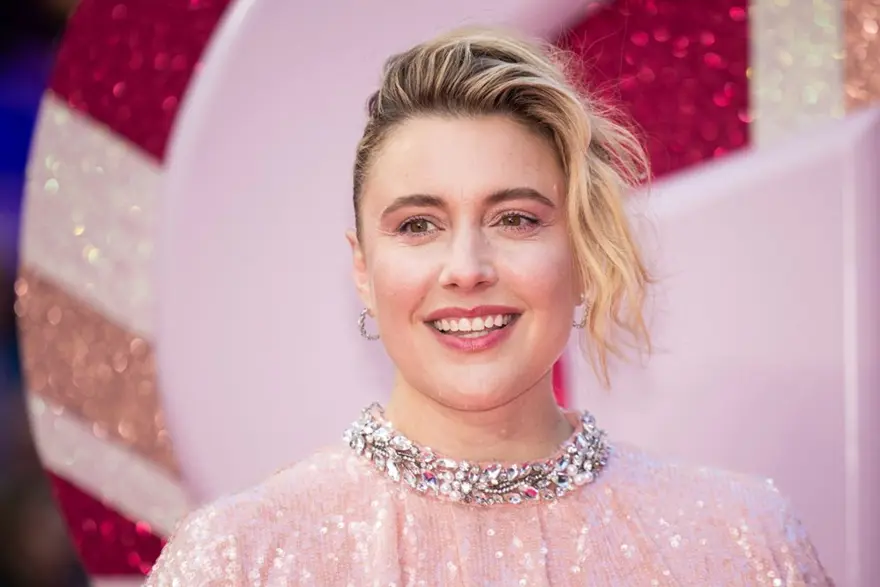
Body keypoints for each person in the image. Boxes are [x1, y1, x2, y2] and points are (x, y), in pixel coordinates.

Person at [145, 27, 832, 586]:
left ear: (583, 252)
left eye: (516, 219)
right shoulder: (242, 559)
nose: (467, 269)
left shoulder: (740, 542)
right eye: (418, 225)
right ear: (362, 268)